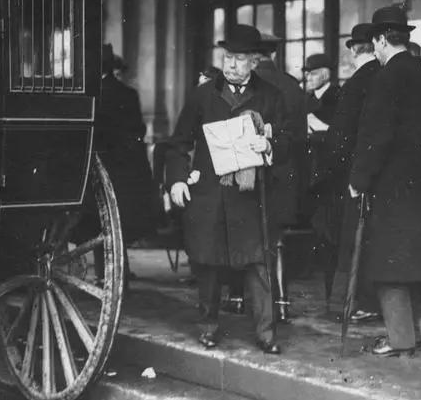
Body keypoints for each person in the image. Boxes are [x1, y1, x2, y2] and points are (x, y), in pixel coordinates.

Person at [165, 24, 290, 355]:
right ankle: (208, 325)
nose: (232, 66)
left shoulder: (271, 96)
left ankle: (266, 332)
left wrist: (270, 143)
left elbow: (291, 144)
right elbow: (178, 142)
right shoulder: (202, 96)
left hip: (253, 197)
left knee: (259, 264)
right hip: (211, 195)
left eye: (240, 60)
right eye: (227, 58)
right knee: (207, 264)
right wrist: (177, 178)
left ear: (254, 61)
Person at [348, 5, 421, 357]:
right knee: (406, 262)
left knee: (388, 264)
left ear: (379, 40)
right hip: (418, 184)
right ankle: (407, 335)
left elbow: (376, 135)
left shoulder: (386, 77)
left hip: (391, 187)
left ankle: (401, 339)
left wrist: (359, 179)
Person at [223, 33, 308, 321]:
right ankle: (281, 304)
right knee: (276, 242)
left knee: (244, 235)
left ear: (255, 58)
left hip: (258, 176)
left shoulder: (255, 87)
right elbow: (298, 134)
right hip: (287, 176)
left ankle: (236, 298)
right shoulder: (293, 86)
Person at [317, 23, 383, 323]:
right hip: (378, 175)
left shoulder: (355, 84)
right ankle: (370, 302)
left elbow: (340, 139)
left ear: (353, 51)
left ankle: (355, 303)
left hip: (350, 176)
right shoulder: (384, 77)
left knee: (349, 244)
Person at [94, 44, 158, 287]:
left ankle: (105, 276)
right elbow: (139, 130)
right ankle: (118, 274)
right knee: (117, 220)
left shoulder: (94, 94)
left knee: (101, 222)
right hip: (126, 168)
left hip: (102, 166)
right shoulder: (127, 93)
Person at [302, 53, 342, 299]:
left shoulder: (337, 96)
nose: (308, 77)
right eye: (306, 73)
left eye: (313, 73)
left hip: (329, 175)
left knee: (329, 232)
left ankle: (332, 291)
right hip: (309, 172)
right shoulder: (306, 99)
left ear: (326, 74)